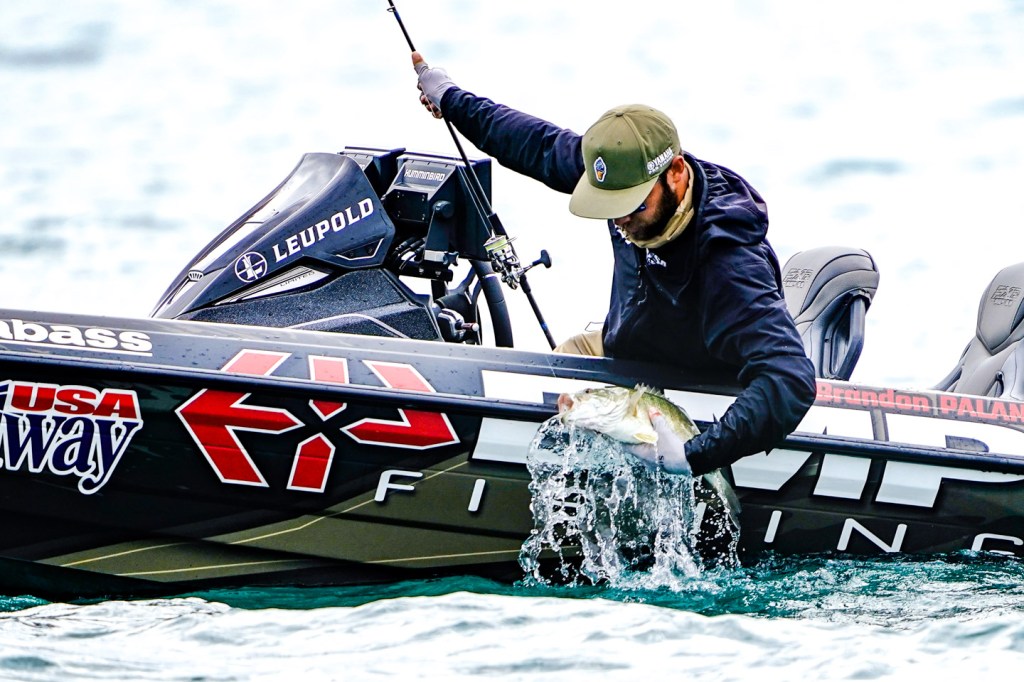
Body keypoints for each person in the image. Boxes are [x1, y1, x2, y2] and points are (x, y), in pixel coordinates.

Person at [413, 53, 817, 477]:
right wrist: (451, 99)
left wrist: (695, 455)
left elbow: (790, 377)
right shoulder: (624, 173)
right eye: (610, 205)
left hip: (690, 380)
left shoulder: (730, 262)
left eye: (632, 205)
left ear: (676, 173)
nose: (620, 219)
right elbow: (536, 144)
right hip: (624, 345)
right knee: (547, 379)